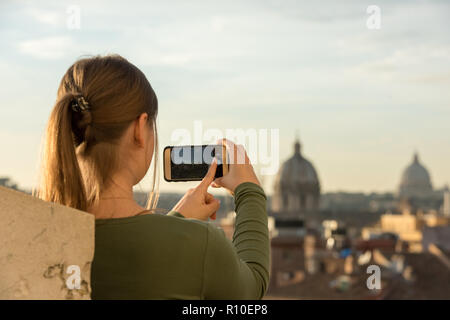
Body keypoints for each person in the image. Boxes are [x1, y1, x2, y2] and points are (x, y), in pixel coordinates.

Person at [36, 54, 269, 299]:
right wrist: (249, 190)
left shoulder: (35, 239)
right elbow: (252, 288)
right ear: (140, 127)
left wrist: (177, 222)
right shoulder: (201, 246)